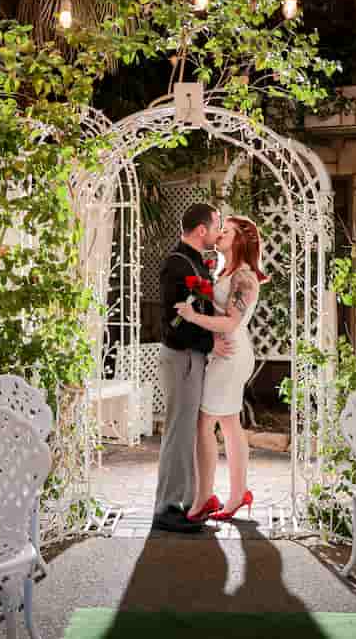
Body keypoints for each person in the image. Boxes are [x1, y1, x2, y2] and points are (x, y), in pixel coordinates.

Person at [174, 215, 268, 523]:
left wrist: (192, 316)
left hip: (231, 355)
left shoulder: (245, 277)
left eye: (227, 230)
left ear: (241, 239)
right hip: (224, 351)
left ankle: (204, 498)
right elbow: (221, 310)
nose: (221, 233)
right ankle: (238, 495)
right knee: (229, 423)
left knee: (205, 423)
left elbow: (231, 321)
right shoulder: (224, 270)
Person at [153, 203, 234, 533]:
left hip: (192, 357)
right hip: (182, 357)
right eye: (216, 225)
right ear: (202, 230)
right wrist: (209, 344)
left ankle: (184, 502)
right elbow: (175, 321)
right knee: (178, 431)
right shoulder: (176, 264)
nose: (219, 230)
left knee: (186, 431)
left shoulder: (195, 262)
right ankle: (168, 507)